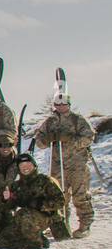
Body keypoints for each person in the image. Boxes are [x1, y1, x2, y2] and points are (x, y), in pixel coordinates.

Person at [32, 93, 95, 238]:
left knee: (80, 195)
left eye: (63, 104)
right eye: (58, 104)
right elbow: (39, 141)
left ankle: (85, 225)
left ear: (69, 105)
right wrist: (47, 139)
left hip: (77, 164)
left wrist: (71, 140)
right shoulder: (50, 122)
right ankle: (61, 223)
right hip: (57, 164)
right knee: (60, 196)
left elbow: (89, 137)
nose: (60, 107)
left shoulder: (77, 120)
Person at [0, 153, 67, 249]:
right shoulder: (16, 185)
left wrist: (41, 204)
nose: (25, 168)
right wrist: (6, 199)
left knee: (24, 213)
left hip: (46, 216)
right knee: (2, 242)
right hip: (26, 220)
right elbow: (10, 207)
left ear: (34, 165)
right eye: (22, 166)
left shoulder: (45, 180)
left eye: (28, 164)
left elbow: (60, 201)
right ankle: (39, 238)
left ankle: (35, 243)